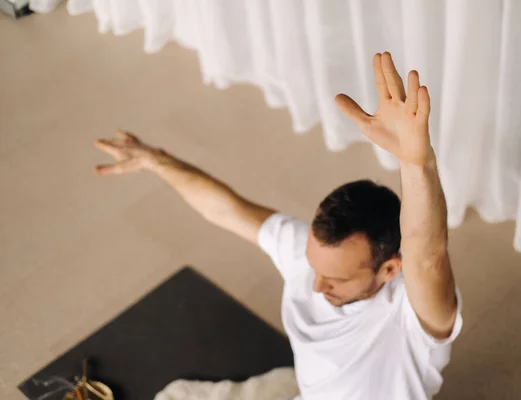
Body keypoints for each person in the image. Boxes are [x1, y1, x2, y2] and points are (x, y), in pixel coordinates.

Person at [94, 52, 462, 400]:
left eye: (336, 279)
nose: (316, 285)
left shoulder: (411, 317)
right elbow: (226, 210)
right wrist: (157, 161)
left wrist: (417, 163)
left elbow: (427, 257)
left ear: (390, 269)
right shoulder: (316, 259)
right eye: (314, 266)